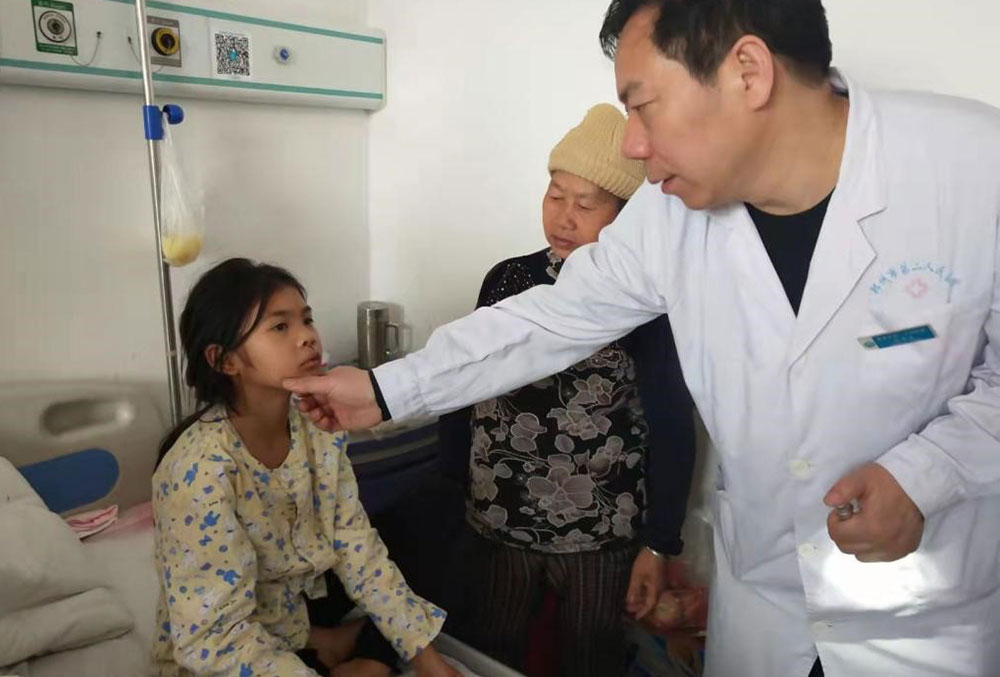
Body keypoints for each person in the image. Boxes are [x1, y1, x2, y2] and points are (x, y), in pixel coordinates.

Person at [284, 1, 1000, 675]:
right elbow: (552, 317)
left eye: (641, 103)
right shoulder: (671, 216)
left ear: (747, 71)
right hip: (767, 606)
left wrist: (924, 474)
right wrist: (385, 387)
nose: (632, 143)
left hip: (924, 614)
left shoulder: (971, 167)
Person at [436, 104, 696, 676]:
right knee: (491, 650)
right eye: (556, 194)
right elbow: (462, 378)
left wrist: (660, 543)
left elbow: (674, 425)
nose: (564, 216)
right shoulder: (506, 279)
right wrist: (450, 481)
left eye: (586, 203)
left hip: (598, 536)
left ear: (624, 217)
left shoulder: (642, 304)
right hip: (499, 519)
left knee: (591, 659)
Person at [151, 258, 459, 677]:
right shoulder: (200, 470)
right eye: (281, 327)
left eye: (306, 320)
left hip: (299, 605)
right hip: (233, 645)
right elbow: (214, 638)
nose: (308, 338)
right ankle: (342, 652)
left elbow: (357, 548)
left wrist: (433, 666)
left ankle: (356, 654)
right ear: (224, 361)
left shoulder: (317, 427)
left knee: (432, 512)